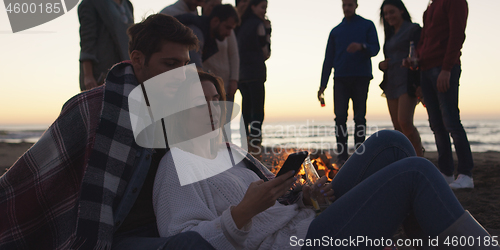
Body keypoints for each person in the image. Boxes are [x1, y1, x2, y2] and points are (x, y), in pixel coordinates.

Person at [152, 70, 498, 249]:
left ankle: (429, 241)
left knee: (390, 142)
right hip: (300, 243)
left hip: (307, 218)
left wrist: (300, 195)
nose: (213, 109)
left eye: (216, 100)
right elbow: (184, 242)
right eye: (200, 102)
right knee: (417, 171)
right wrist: (243, 212)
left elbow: (273, 201)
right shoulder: (177, 165)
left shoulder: (230, 152)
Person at [0, 14, 216, 250]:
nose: (180, 76)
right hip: (113, 233)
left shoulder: (179, 110)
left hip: (167, 223)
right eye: (170, 64)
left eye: (184, 65)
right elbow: (33, 178)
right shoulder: (93, 108)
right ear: (138, 59)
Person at [405, 0, 473, 189]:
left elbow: (457, 35)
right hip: (425, 69)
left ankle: (466, 174)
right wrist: (415, 58)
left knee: (451, 121)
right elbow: (425, 40)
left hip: (443, 68)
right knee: (436, 124)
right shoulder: (431, 6)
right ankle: (447, 173)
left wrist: (447, 69)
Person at [318, 0, 380, 166]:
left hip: (361, 77)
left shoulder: (367, 25)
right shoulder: (336, 31)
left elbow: (375, 48)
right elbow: (328, 59)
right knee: (339, 119)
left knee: (359, 118)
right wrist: (322, 85)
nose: (347, 8)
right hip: (340, 79)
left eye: (350, 4)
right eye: (344, 5)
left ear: (356, 5)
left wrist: (361, 46)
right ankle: (342, 156)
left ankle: (360, 156)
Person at [378, 0, 424, 156]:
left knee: (405, 121)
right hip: (391, 82)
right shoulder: (390, 35)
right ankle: (405, 160)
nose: (388, 16)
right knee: (397, 127)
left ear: (401, 11)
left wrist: (419, 83)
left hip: (407, 80)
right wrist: (382, 65)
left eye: (392, 12)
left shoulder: (413, 29)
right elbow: (390, 57)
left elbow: (419, 55)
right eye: (385, 14)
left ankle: (419, 156)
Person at [236, 0, 271, 160]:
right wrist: (269, 30)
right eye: (262, 7)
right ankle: (255, 145)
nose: (264, 11)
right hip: (256, 71)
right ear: (253, 7)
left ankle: (245, 145)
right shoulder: (259, 24)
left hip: (241, 73)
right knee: (257, 111)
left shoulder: (239, 24)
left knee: (245, 110)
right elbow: (266, 53)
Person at [201, 0, 240, 142]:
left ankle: (226, 152)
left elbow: (234, 55)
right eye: (210, 4)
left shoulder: (227, 30)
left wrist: (234, 79)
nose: (212, 7)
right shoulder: (201, 29)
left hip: (226, 82)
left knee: (226, 123)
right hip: (208, 84)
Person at [78, 0, 134, 91]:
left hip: (125, 73)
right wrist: (88, 75)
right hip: (101, 74)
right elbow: (87, 41)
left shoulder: (127, 4)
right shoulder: (90, 3)